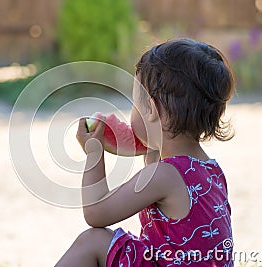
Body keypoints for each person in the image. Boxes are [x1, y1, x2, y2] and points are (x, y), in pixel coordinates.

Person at [56, 38, 235, 267]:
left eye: (135, 104)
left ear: (151, 108)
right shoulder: (211, 170)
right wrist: (150, 144)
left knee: (92, 241)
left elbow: (96, 213)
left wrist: (94, 151)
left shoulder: (164, 175)